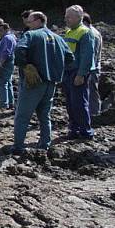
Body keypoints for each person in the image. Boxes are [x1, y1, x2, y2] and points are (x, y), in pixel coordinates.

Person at [12, 12, 73, 154]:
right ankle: (45, 143)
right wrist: (57, 69)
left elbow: (19, 50)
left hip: (34, 82)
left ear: (39, 21)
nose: (28, 25)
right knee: (45, 115)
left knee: (22, 115)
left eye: (30, 22)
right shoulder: (58, 38)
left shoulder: (31, 35)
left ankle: (18, 146)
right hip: (51, 83)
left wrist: (25, 65)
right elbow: (70, 57)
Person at [62, 5, 96, 139]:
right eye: (65, 16)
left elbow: (87, 56)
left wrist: (81, 74)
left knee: (79, 103)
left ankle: (85, 131)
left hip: (77, 72)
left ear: (78, 17)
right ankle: (74, 129)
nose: (66, 19)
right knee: (70, 103)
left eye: (69, 16)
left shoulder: (85, 32)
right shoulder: (69, 31)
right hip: (68, 72)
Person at [82, 13, 103, 116]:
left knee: (91, 91)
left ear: (84, 22)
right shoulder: (92, 32)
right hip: (92, 67)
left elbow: (92, 54)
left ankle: (94, 114)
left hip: (91, 68)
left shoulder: (91, 34)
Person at [0, 22, 16, 109]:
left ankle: (4, 104)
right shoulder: (11, 37)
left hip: (4, 64)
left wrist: (0, 63)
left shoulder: (7, 38)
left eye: (1, 31)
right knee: (8, 82)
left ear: (7, 29)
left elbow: (6, 52)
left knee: (2, 83)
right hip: (7, 63)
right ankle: (10, 102)